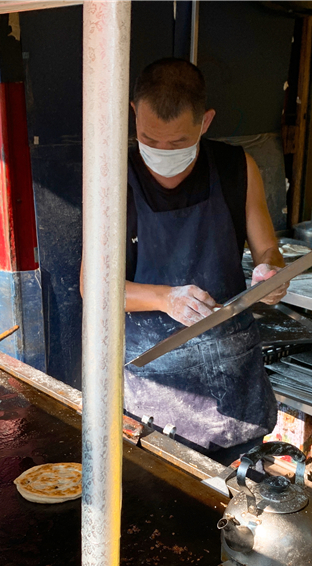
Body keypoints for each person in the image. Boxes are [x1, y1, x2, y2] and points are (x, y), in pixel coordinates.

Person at [120, 57, 286, 466]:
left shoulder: (237, 169)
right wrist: (165, 299)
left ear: (205, 121)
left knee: (241, 498)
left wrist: (271, 272)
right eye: (148, 139)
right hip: (155, 381)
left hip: (233, 370)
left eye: (176, 143)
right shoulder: (113, 177)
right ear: (132, 114)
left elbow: (268, 250)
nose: (160, 153)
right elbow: (96, 287)